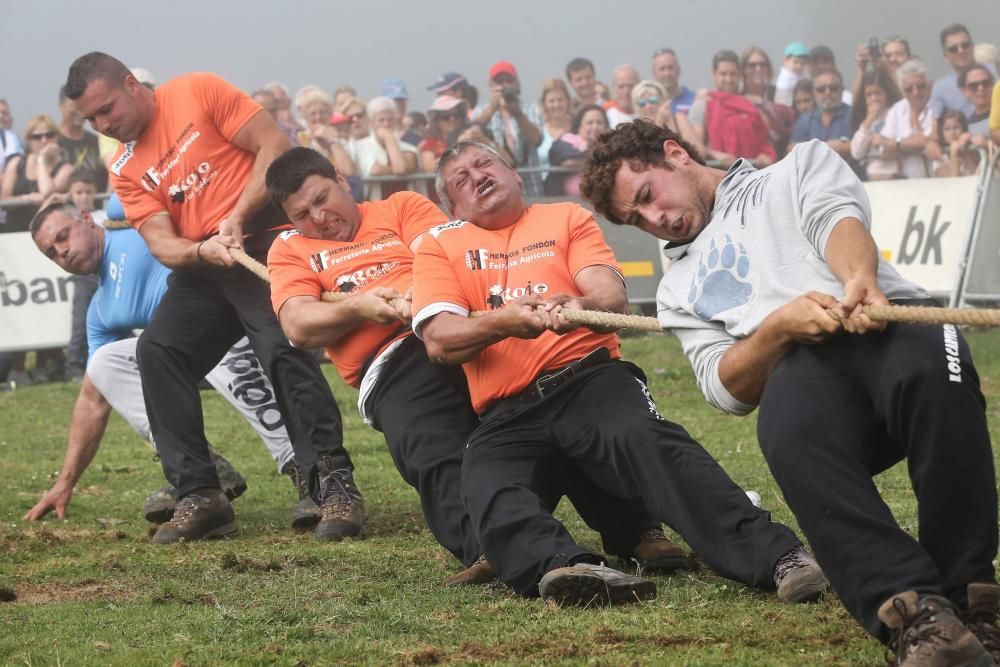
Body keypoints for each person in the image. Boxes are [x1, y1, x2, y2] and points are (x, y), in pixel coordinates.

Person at [580, 119, 1000, 664]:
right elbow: (723, 389)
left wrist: (858, 280)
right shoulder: (675, 290)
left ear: (675, 153)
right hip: (803, 369)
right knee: (784, 427)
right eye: (636, 219)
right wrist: (778, 327)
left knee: (933, 365)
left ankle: (974, 600)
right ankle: (916, 619)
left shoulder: (798, 165)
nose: (655, 219)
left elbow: (836, 221)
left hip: (885, 325)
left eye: (646, 196)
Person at [411, 140, 827, 607]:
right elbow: (440, 340)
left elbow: (610, 298)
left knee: (646, 440)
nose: (477, 177)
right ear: (452, 206)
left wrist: (579, 305)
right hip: (507, 411)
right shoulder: (438, 247)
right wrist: (506, 321)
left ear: (515, 173)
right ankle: (568, 569)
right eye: (460, 180)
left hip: (590, 381)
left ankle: (779, 557)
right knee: (485, 482)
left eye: (484, 164)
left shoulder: (565, 218)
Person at [265, 146, 692, 586]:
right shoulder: (290, 250)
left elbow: (453, 255)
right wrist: (362, 306)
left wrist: (421, 297)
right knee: (435, 448)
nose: (318, 218)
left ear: (340, 178)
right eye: (302, 213)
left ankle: (636, 529)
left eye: (321, 199)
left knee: (554, 405)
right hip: (392, 363)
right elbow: (298, 324)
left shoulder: (401, 207)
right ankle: (492, 547)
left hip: (468, 329)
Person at [64, 51, 357, 544]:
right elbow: (161, 243)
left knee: (281, 347)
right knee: (158, 351)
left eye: (106, 109)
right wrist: (202, 248)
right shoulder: (125, 166)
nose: (103, 124)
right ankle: (201, 494)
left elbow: (274, 147)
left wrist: (238, 218)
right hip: (207, 264)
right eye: (91, 119)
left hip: (265, 237)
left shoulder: (197, 90)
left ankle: (331, 484)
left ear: (132, 85)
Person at [25, 199, 319, 529]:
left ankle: (304, 468)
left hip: (229, 317)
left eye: (63, 236)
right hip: (178, 356)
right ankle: (200, 465)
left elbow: (161, 189)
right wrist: (65, 482)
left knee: (216, 344)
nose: (61, 251)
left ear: (85, 219)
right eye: (51, 252)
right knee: (104, 363)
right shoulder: (101, 312)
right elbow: (91, 401)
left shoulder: (134, 221)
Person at [689, 50, 776, 168]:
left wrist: (765, 157)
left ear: (740, 74)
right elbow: (694, 147)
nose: (728, 79)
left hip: (751, 174)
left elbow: (764, 144)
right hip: (717, 174)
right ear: (714, 74)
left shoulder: (751, 106)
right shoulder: (702, 105)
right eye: (723, 74)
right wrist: (716, 155)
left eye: (733, 74)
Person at [472, 61, 543, 197]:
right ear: (491, 85)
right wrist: (492, 108)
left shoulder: (531, 109)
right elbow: (472, 133)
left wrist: (517, 113)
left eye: (508, 80)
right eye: (499, 81)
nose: (504, 85)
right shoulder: (482, 111)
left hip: (531, 186)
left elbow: (537, 140)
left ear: (516, 83)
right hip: (498, 186)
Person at [1, 114, 73, 232]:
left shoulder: (65, 168)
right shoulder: (16, 163)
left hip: (49, 232)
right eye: (37, 136)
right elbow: (4, 200)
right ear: (29, 140)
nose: (44, 140)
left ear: (57, 137)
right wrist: (26, 198)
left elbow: (47, 193)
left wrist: (42, 160)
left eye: (49, 135)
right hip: (14, 231)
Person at [874, 60, 938, 179]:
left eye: (920, 86)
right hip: (905, 184)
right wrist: (908, 143)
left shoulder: (937, 106)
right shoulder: (897, 109)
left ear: (929, 85)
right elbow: (882, 146)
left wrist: (895, 144)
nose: (915, 92)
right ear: (902, 91)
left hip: (936, 179)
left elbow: (927, 140)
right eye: (909, 89)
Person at [931, 24, 997, 119]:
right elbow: (938, 125)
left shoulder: (995, 71)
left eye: (965, 45)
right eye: (953, 49)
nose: (961, 51)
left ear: (972, 46)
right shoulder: (940, 89)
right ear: (945, 55)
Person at [741, 46, 796, 156]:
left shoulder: (781, 94)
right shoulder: (736, 97)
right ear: (744, 69)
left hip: (779, 155)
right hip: (746, 155)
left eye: (763, 65)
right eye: (752, 65)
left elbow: (788, 127)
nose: (758, 69)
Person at [788, 69, 853, 161]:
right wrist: (826, 147)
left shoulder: (855, 116)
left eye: (833, 88)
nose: (827, 92)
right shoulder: (805, 119)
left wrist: (848, 146)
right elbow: (791, 149)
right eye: (821, 89)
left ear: (842, 90)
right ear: (814, 93)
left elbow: (866, 145)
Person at [849, 69, 902, 181]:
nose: (873, 99)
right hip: (872, 176)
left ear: (886, 93)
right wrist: (869, 121)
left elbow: (885, 148)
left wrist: (874, 148)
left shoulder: (896, 112)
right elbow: (856, 153)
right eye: (869, 95)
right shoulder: (866, 120)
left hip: (893, 175)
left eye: (877, 93)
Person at [292, 86, 356, 178]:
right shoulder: (298, 139)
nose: (318, 117)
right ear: (305, 117)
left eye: (322, 112)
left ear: (330, 115)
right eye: (313, 113)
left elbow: (348, 171)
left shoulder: (340, 141)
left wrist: (332, 141)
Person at [545, 104, 609, 196]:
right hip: (566, 200)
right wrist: (600, 159)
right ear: (580, 125)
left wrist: (584, 154)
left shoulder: (610, 143)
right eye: (589, 123)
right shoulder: (566, 139)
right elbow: (568, 162)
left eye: (599, 123)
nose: (595, 127)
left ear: (606, 126)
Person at [419, 96, 468, 174]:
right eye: (445, 116)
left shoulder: (472, 137)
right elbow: (429, 168)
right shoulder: (430, 143)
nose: (452, 119)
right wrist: (457, 147)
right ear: (436, 121)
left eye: (456, 114)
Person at [534, 79, 573, 176]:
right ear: (544, 103)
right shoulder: (538, 131)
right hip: (544, 190)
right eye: (552, 101)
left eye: (560, 100)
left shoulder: (578, 127)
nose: (556, 105)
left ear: (567, 101)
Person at [934, 110, 981, 177]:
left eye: (956, 127)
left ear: (964, 129)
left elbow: (976, 177)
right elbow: (954, 183)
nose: (952, 133)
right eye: (947, 129)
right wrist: (954, 155)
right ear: (942, 133)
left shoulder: (972, 149)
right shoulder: (940, 157)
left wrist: (965, 152)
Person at [651, 48, 695, 114]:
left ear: (679, 70)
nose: (667, 73)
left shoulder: (695, 100)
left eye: (670, 68)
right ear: (654, 73)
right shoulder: (648, 104)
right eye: (662, 69)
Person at [959, 64, 995, 141]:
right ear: (964, 91)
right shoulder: (966, 125)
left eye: (985, 83)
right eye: (973, 85)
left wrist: (985, 146)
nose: (981, 88)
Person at [775, 41, 810, 107]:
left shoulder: (800, 75)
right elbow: (782, 104)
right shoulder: (785, 80)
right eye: (795, 62)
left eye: (803, 63)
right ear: (785, 61)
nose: (799, 66)